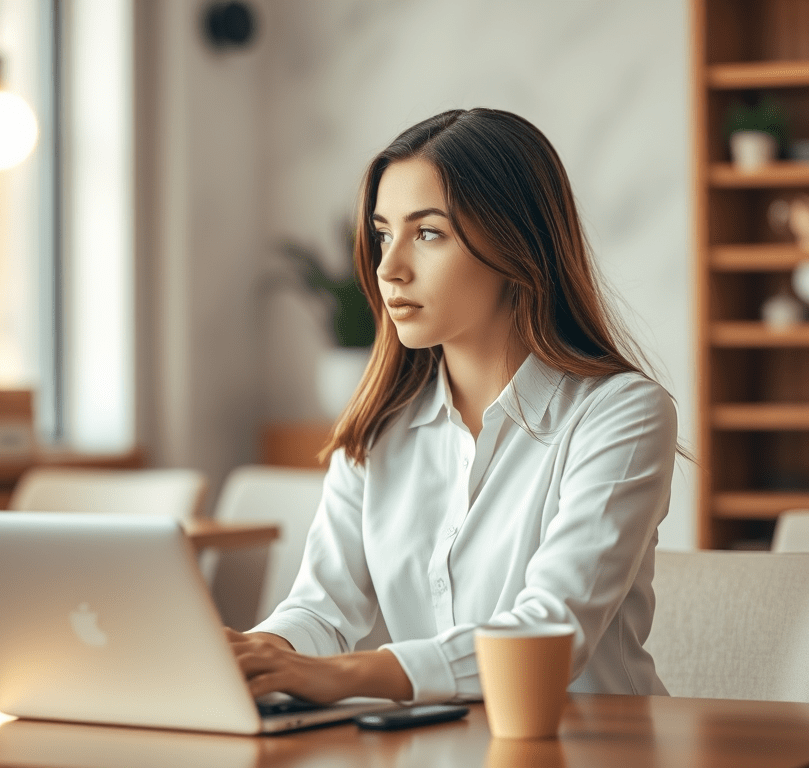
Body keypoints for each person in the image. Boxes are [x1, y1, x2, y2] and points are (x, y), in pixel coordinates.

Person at [227, 107, 680, 705]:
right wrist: (264, 658)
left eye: (428, 233)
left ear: (516, 243)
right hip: (444, 747)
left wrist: (351, 676)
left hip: (598, 748)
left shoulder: (622, 414)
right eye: (385, 234)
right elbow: (321, 610)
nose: (390, 268)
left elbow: (550, 633)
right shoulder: (378, 427)